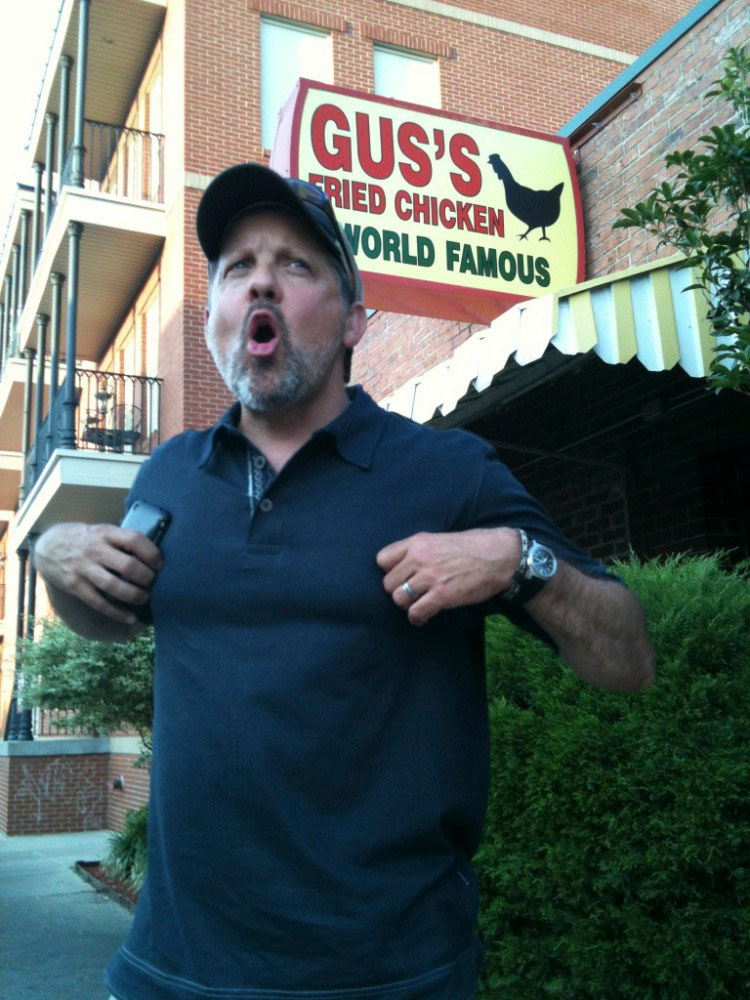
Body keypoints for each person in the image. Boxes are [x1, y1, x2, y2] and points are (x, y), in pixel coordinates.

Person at [34, 163, 654, 1000]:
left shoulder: (445, 471)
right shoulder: (170, 476)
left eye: (295, 264)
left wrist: (515, 559)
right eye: (236, 267)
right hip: (173, 969)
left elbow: (628, 659)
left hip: (392, 974)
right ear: (215, 316)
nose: (261, 281)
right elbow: (108, 615)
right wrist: (56, 559)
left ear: (355, 319)